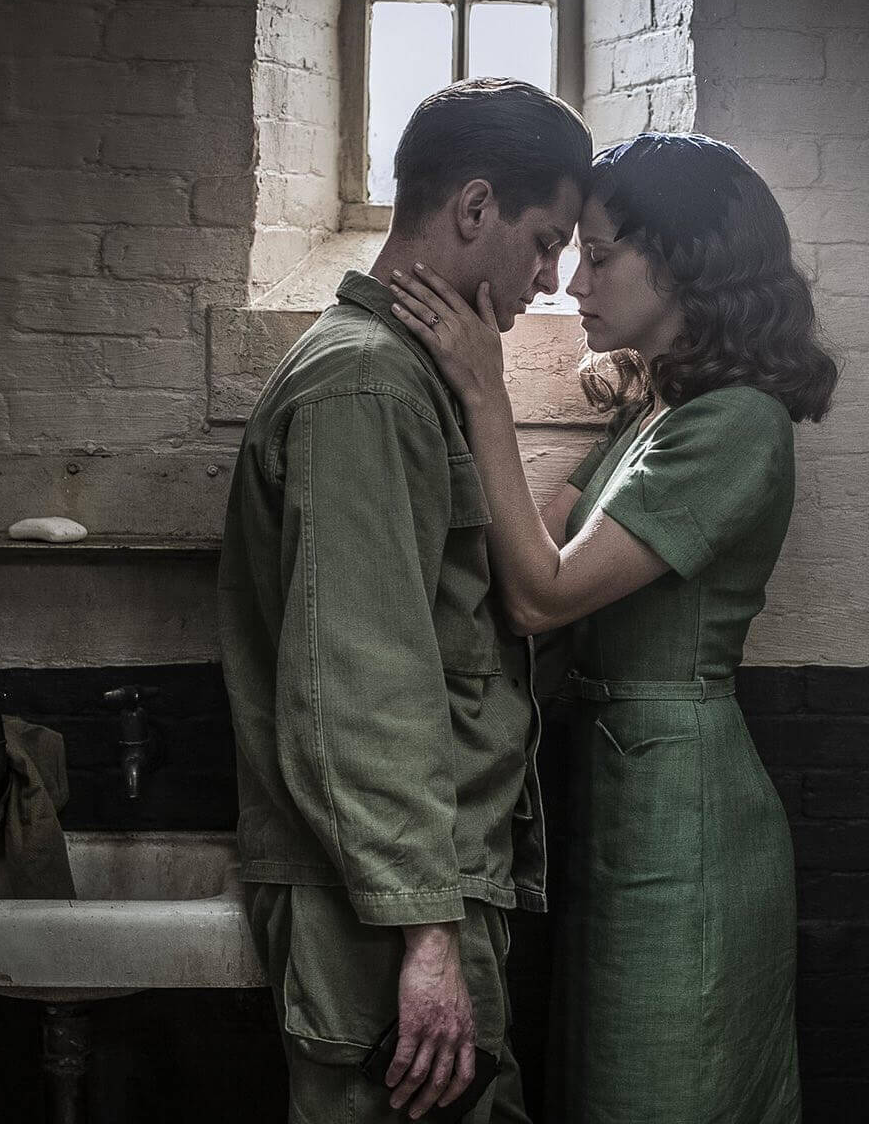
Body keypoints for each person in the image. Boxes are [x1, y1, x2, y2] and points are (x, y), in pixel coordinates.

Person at [386, 132, 839, 1123]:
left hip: (688, 816)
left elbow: (539, 595)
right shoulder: (654, 412)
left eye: (598, 255)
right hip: (621, 797)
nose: (574, 283)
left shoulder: (737, 423)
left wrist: (484, 388)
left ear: (682, 262)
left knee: (666, 1091)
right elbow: (530, 539)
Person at [217, 77, 590, 1124]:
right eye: (545, 242)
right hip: (386, 911)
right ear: (474, 208)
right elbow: (363, 682)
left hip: (412, 886)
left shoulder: (401, 378)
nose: (551, 280)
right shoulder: (368, 386)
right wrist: (427, 936)